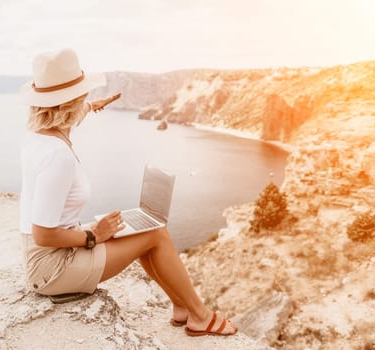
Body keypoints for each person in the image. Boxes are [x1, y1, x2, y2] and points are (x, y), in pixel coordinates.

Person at [19, 48, 237, 337]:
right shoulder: (58, 156)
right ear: (70, 103)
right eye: (81, 96)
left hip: (48, 256)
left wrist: (95, 105)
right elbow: (43, 234)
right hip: (52, 268)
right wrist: (93, 236)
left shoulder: (40, 137)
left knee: (140, 232)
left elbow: (70, 115)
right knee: (155, 234)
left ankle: (181, 308)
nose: (85, 100)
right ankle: (200, 315)